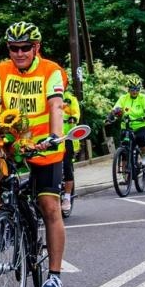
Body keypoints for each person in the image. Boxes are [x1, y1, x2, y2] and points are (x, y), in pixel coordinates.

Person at [0, 22, 68, 287]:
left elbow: (56, 105)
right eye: (13, 48)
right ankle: (7, 217)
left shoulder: (51, 71)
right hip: (11, 142)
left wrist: (55, 136)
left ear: (36, 47)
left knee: (49, 206)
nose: (19, 53)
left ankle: (55, 277)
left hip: (44, 146)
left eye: (25, 48)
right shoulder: (1, 71)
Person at [108, 80, 145, 161]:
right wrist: (109, 117)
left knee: (140, 137)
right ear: (128, 89)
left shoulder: (143, 97)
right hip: (127, 125)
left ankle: (144, 156)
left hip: (142, 124)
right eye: (132, 89)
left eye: (137, 89)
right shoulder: (123, 98)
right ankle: (124, 169)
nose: (135, 92)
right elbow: (116, 109)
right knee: (124, 146)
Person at [59, 89, 82, 217]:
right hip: (51, 137)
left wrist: (73, 118)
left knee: (67, 165)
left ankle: (67, 197)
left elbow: (76, 112)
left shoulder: (70, 98)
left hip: (67, 137)